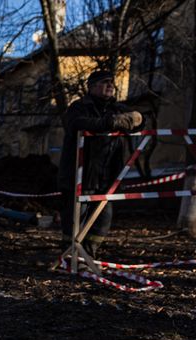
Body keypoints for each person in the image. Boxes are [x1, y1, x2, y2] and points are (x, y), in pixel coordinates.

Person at [57, 69, 144, 257]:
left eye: (112, 83)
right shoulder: (78, 107)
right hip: (79, 175)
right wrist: (111, 123)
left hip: (107, 176)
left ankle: (89, 254)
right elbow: (77, 124)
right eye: (105, 83)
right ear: (92, 87)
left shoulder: (118, 108)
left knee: (103, 219)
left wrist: (136, 118)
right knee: (75, 219)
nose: (110, 86)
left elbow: (139, 122)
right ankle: (70, 256)